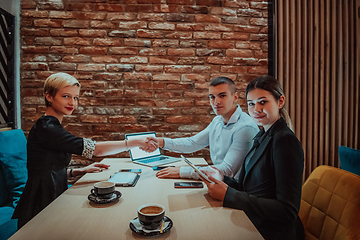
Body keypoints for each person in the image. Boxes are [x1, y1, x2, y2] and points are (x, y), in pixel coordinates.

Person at [12, 72, 156, 228]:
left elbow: (45, 168)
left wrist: (78, 171)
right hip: (41, 206)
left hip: (52, 197)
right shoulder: (47, 127)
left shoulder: (50, 125)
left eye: (75, 98)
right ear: (49, 97)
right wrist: (132, 143)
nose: (72, 103)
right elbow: (95, 150)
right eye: (66, 96)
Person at [201, 75, 305, 240]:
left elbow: (287, 210)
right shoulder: (263, 135)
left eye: (263, 102)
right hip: (252, 220)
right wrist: (223, 178)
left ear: (280, 101)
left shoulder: (285, 141)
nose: (256, 109)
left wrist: (229, 195)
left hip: (272, 232)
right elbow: (252, 188)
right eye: (251, 104)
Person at [147, 76, 259, 179]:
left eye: (222, 96)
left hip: (236, 191)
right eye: (212, 97)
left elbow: (227, 171)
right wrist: (161, 142)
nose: (216, 102)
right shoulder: (217, 121)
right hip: (218, 183)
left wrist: (181, 172)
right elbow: (193, 143)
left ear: (235, 97)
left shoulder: (245, 127)